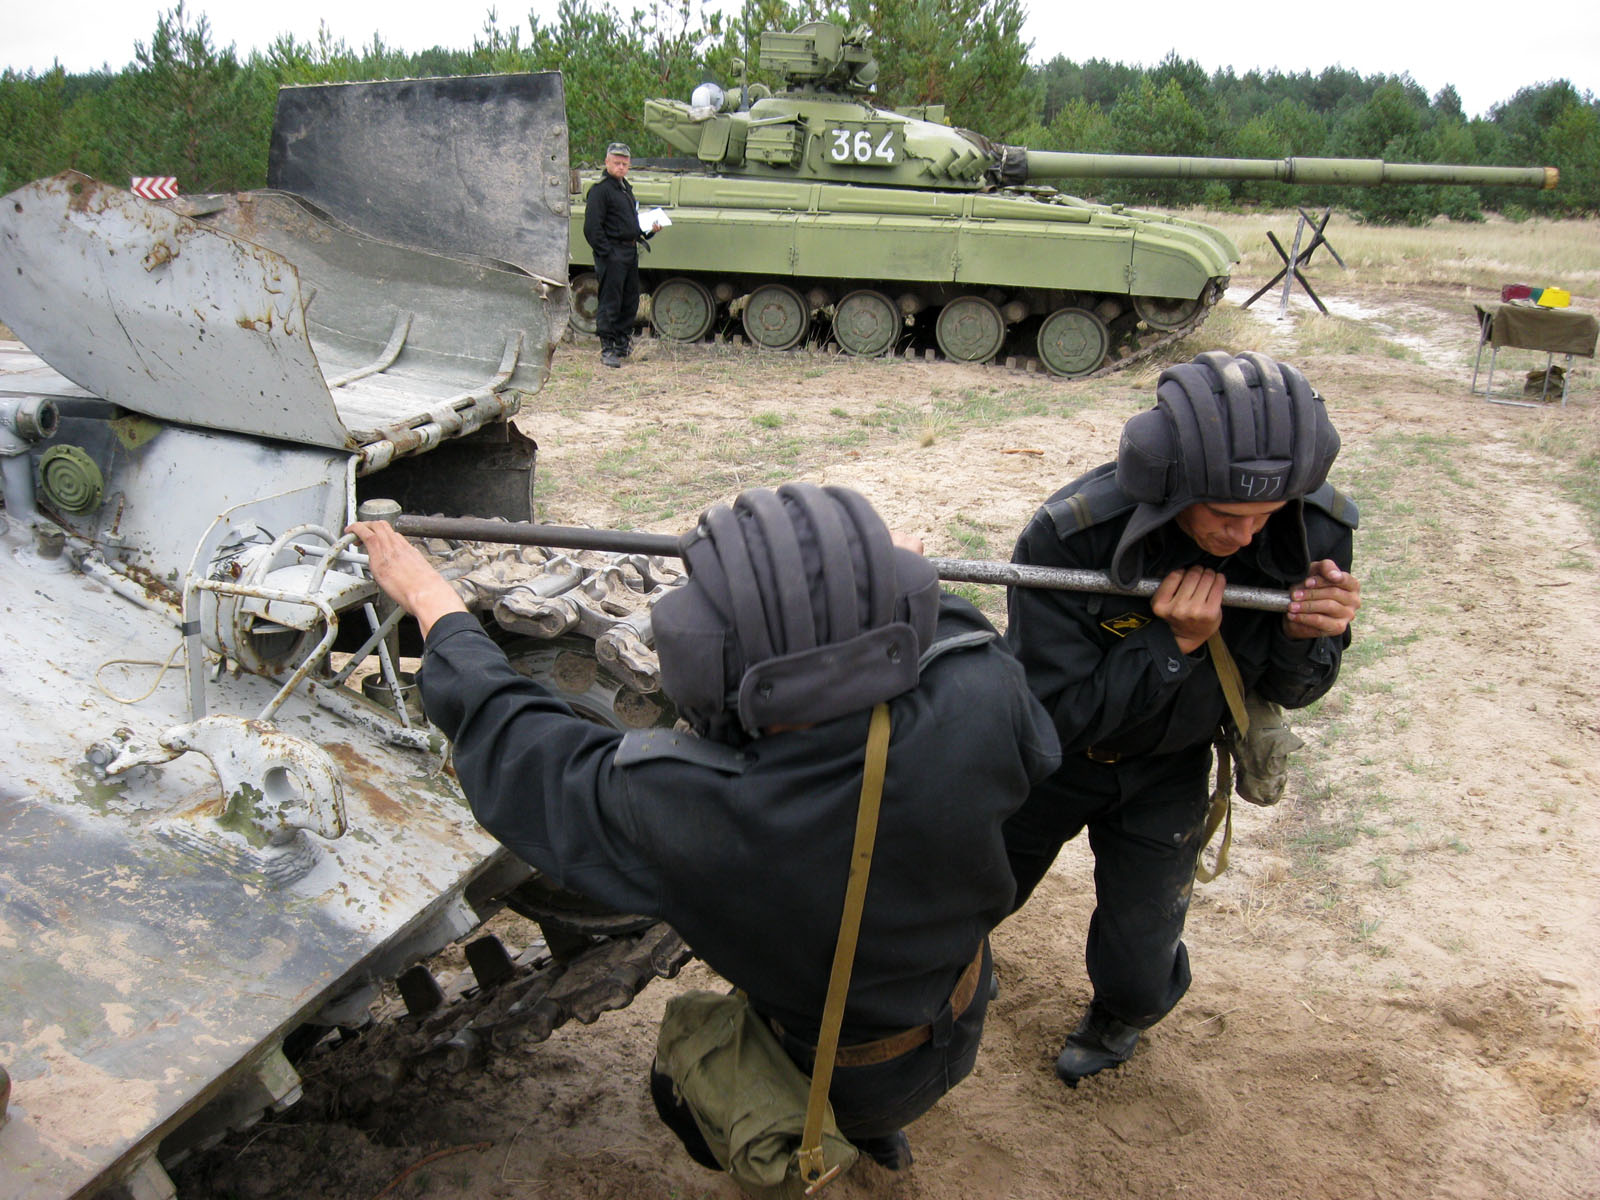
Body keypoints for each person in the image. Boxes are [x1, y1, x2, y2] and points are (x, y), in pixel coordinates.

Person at [348, 483, 1061, 1170]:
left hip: (841, 1074)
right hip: (958, 1010)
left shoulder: (705, 814)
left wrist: (436, 603)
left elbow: (524, 748)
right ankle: (880, 1133)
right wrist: (866, 585)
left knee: (679, 1087)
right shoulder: (982, 686)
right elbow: (960, 650)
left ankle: (854, 1127)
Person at [1000, 350, 1361, 1088]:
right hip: (1051, 762)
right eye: (1225, 516)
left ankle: (1118, 1017)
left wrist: (1308, 635)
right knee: (956, 910)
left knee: (1140, 972)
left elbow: (1295, 690)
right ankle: (953, 975)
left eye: (1265, 516)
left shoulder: (1311, 529)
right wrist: (1170, 645)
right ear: (1171, 489)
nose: (1247, 537)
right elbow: (1055, 714)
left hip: (1170, 769)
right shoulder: (1073, 536)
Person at [582, 142, 659, 368]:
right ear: (607, 162)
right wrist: (607, 253)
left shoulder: (625, 189)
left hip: (629, 250)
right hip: (613, 252)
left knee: (629, 300)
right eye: (616, 163)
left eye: (625, 164)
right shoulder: (600, 191)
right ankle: (607, 348)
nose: (621, 167)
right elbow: (592, 228)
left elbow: (630, 223)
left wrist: (649, 231)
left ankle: (622, 344)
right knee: (610, 301)